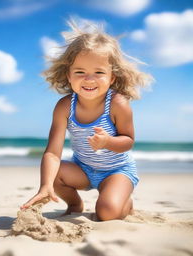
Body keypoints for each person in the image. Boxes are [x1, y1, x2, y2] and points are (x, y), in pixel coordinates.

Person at [21, 19, 153, 221]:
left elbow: (128, 141)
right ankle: (75, 204)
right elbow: (53, 153)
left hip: (116, 171)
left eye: (99, 72)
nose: (89, 79)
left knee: (107, 213)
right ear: (69, 75)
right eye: (80, 72)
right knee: (53, 172)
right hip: (82, 168)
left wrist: (108, 142)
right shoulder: (65, 106)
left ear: (111, 78)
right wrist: (45, 186)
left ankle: (124, 201)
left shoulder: (118, 103)